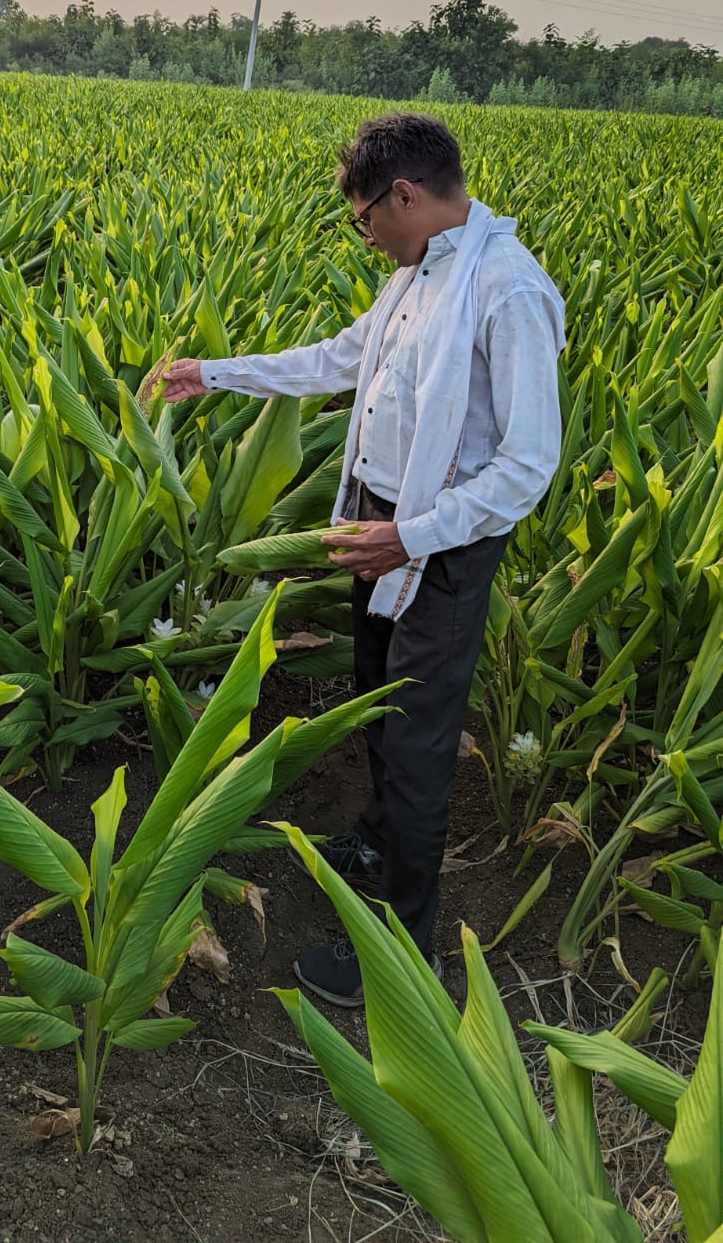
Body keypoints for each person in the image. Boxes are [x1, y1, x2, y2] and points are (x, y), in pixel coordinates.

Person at [161, 112, 564, 1006]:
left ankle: (401, 955)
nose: (365, 232)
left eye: (363, 216)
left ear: (406, 196)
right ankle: (378, 839)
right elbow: (345, 360)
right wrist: (218, 374)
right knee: (377, 705)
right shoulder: (419, 275)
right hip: (378, 526)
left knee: (420, 743)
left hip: (437, 545)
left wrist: (409, 537)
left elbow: (528, 466)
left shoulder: (508, 289)